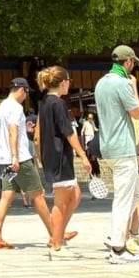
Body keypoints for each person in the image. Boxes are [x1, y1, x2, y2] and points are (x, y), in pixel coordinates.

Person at [96, 45, 139, 265]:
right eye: (132, 63)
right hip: (122, 147)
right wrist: (134, 87)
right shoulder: (122, 83)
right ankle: (118, 247)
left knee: (137, 192)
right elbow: (137, 112)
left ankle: (118, 236)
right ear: (128, 62)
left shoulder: (101, 83)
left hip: (108, 145)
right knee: (123, 198)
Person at [0, 78, 54, 249]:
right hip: (19, 159)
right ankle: (55, 234)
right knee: (38, 194)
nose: (26, 97)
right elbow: (13, 131)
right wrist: (15, 157)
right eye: (26, 93)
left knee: (6, 196)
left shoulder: (2, 106)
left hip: (4, 160)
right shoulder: (15, 108)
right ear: (21, 90)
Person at [35, 66, 89, 256]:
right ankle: (57, 243)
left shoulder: (45, 102)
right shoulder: (57, 104)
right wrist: (83, 155)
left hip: (51, 154)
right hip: (59, 155)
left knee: (75, 194)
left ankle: (58, 234)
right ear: (64, 82)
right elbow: (68, 132)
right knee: (61, 201)